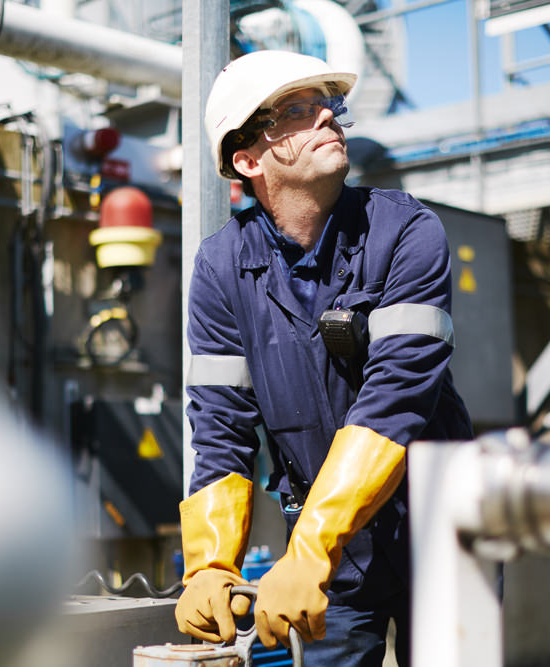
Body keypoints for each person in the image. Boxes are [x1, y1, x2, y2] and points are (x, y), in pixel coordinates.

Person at [175, 49, 473, 666]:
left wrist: (310, 545)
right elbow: (221, 427)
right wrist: (210, 563)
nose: (328, 120)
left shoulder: (406, 231)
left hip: (441, 532)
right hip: (332, 557)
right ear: (248, 158)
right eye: (295, 111)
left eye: (328, 106)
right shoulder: (220, 269)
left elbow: (396, 398)